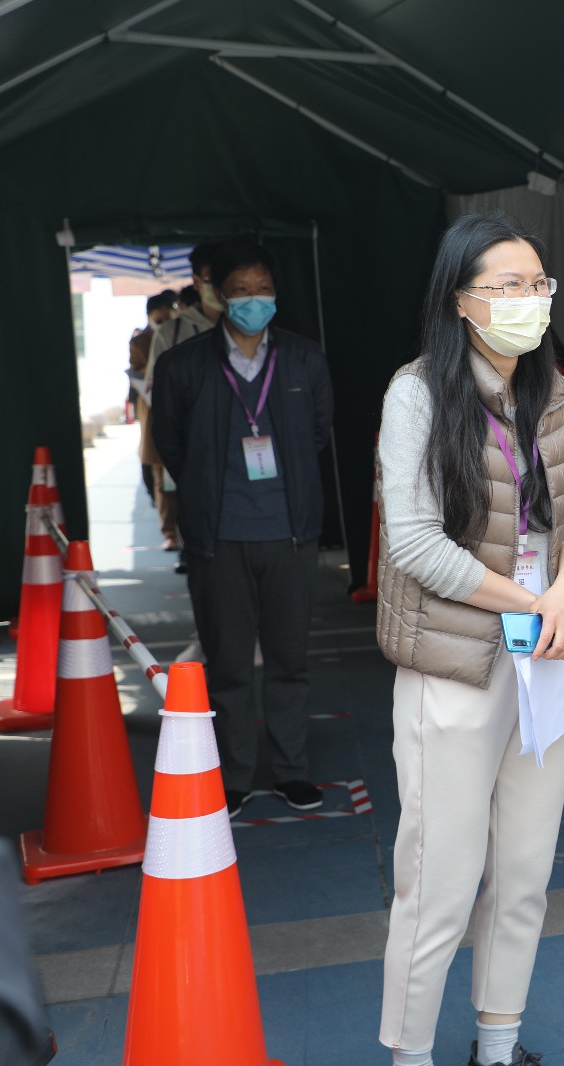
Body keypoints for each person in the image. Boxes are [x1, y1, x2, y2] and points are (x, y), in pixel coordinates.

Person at [375, 213, 564, 1066]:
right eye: (507, 286)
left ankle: (497, 1049)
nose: (529, 300)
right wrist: (533, 602)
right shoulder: (418, 394)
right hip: (456, 664)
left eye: (538, 284)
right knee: (437, 881)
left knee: (525, 873)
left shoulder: (555, 392)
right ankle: (411, 1057)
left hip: (547, 657)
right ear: (461, 301)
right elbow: (415, 542)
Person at [150, 239, 335, 818]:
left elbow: (318, 432)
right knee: (227, 665)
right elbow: (170, 441)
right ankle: (233, 777)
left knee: (288, 661)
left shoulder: (304, 359)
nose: (254, 300)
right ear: (218, 295)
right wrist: (206, 490)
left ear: (276, 294)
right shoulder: (183, 364)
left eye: (263, 289)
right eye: (241, 290)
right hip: (219, 538)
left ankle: (291, 771)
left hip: (290, 534)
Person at [144, 242, 222, 552]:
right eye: (211, 277)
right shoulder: (172, 334)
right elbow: (156, 396)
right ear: (197, 281)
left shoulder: (255, 329)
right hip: (195, 453)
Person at [129, 292, 177, 490]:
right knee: (158, 465)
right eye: (159, 320)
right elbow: (137, 371)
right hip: (152, 404)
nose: (164, 324)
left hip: (178, 405)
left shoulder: (179, 333)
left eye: (167, 319)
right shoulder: (140, 342)